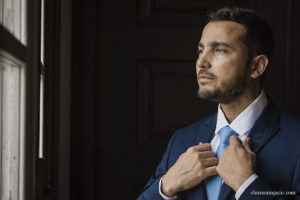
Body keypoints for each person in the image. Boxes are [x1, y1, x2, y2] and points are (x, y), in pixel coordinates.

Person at [137, 7, 300, 200]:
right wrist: (167, 186)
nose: (202, 62)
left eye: (219, 50)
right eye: (200, 51)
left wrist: (247, 185)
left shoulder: (296, 141)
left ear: (256, 66)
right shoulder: (181, 141)